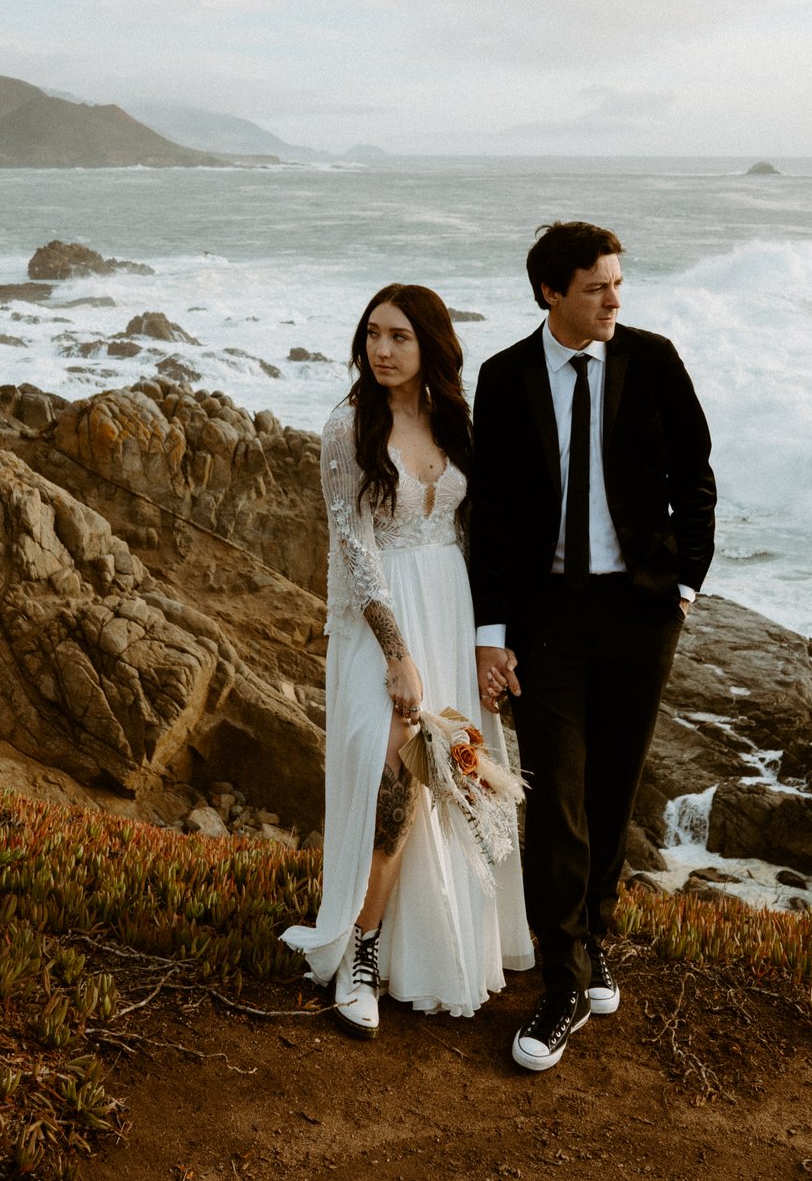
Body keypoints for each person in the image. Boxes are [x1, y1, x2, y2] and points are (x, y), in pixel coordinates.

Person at [469, 221, 716, 1072]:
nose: (616, 299)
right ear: (550, 292)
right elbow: (492, 517)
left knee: (612, 794)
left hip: (640, 614)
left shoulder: (654, 360)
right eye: (597, 287)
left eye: (619, 283)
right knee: (559, 804)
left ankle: (594, 933)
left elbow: (697, 475)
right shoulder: (503, 379)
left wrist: (683, 586)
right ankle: (563, 979)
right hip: (548, 623)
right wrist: (490, 635)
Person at [280, 284, 531, 1035]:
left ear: (430, 346)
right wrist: (398, 656)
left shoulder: (457, 422)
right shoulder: (345, 427)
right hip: (380, 615)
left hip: (450, 605)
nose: (381, 351)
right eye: (372, 335)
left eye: (398, 337)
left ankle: (441, 942)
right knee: (395, 766)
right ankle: (359, 947)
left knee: (451, 769)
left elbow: (481, 532)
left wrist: (493, 635)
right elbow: (355, 553)